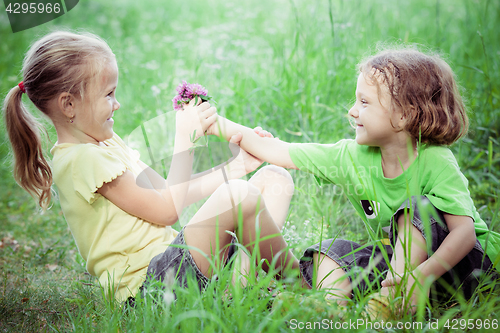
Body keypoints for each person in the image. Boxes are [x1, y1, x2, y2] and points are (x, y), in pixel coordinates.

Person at [2, 31, 300, 303]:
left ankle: (240, 290)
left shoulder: (104, 143)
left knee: (275, 178)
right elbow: (167, 212)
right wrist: (184, 138)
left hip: (174, 263)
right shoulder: (81, 160)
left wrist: (238, 167)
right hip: (150, 288)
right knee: (240, 195)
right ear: (69, 105)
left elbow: (170, 192)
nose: (116, 104)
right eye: (108, 94)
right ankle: (302, 289)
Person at [210, 48, 500, 317]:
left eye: (364, 102)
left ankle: (392, 300)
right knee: (333, 251)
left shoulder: (436, 160)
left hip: (468, 267)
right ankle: (326, 306)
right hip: (400, 265)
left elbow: (464, 235)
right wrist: (213, 123)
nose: (352, 111)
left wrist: (419, 277)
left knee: (416, 209)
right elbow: (279, 151)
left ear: (404, 115)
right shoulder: (351, 157)